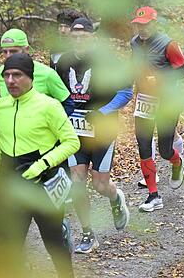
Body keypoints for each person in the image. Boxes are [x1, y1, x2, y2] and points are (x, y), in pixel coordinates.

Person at [0, 53, 80, 277]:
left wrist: (42, 165)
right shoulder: (0, 106)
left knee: (52, 241)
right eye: (6, 75)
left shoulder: (48, 106)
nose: (10, 80)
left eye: (17, 75)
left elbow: (72, 142)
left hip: (44, 181)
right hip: (11, 180)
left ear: (30, 77)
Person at [55, 18, 132, 253]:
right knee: (77, 181)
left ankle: (115, 196)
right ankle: (88, 234)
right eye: (75, 37)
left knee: (100, 185)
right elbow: (56, 93)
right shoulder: (62, 62)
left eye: (84, 37)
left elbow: (126, 91)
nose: (79, 41)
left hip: (102, 130)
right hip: (74, 131)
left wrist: (103, 111)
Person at [130, 7, 184, 212]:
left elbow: (183, 71)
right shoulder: (134, 43)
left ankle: (177, 161)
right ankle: (153, 195)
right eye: (139, 25)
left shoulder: (168, 43)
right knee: (143, 144)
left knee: (165, 150)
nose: (142, 29)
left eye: (146, 24)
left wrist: (160, 78)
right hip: (144, 100)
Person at [0, 28, 73, 115]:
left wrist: (51, 124)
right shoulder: (0, 73)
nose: (8, 56)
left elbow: (69, 104)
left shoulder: (47, 74)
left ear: (26, 49)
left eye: (13, 51)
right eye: (5, 52)